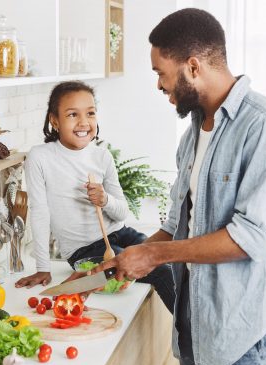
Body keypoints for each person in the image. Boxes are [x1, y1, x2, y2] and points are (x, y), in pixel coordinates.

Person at [92, 8, 266, 365]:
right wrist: (130, 256)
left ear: (192, 66)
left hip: (245, 328)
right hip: (196, 323)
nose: (158, 84)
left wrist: (153, 254)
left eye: (161, 72)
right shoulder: (192, 135)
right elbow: (178, 224)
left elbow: (248, 239)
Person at [15, 81, 173, 307]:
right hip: (84, 250)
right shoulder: (40, 157)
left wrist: (105, 200)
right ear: (54, 120)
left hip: (121, 234)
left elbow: (121, 214)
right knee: (162, 273)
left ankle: (189, 335)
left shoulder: (102, 156)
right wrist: (43, 268)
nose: (83, 122)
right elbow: (39, 213)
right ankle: (190, 338)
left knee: (165, 263)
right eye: (72, 115)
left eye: (90, 113)